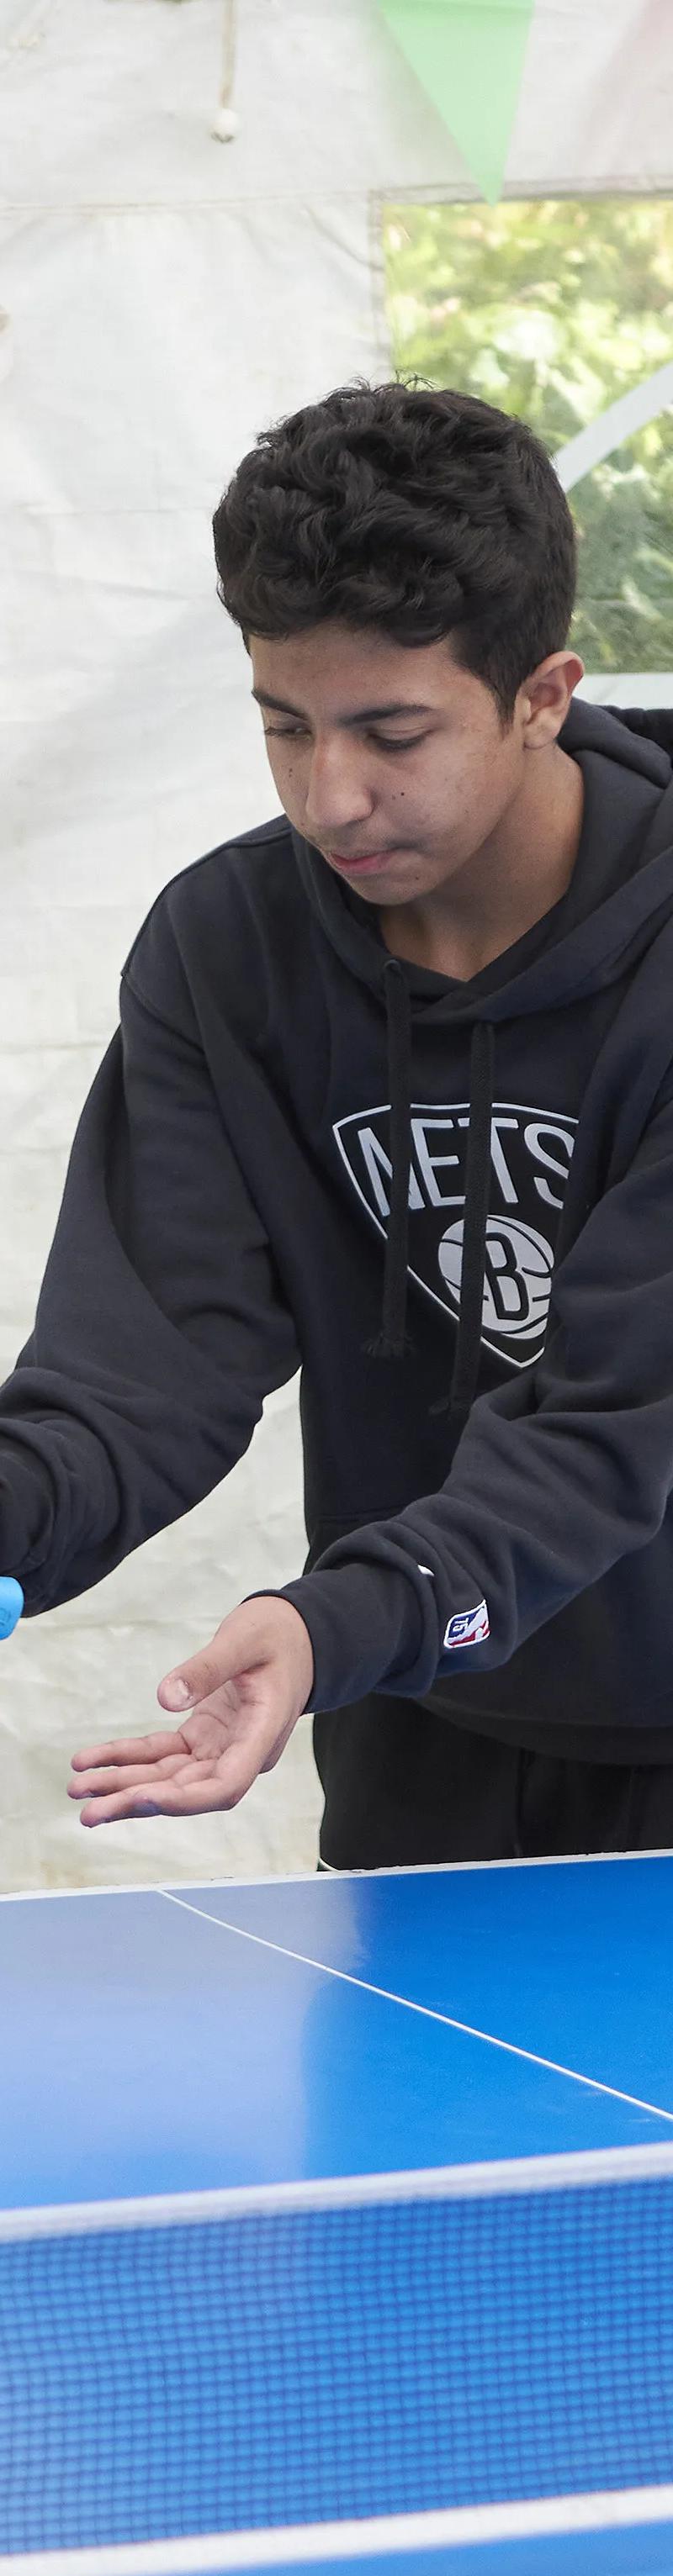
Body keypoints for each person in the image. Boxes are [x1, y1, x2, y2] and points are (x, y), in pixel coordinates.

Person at [3, 377, 673, 1868]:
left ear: (545, 694)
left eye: (390, 731)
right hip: (420, 1715)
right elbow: (137, 1375)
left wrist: (336, 1615)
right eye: (284, 726)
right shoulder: (225, 949)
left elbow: (619, 1419)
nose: (330, 797)